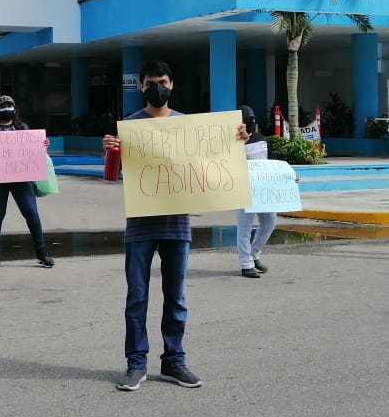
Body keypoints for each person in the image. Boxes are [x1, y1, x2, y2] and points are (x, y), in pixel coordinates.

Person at [103, 59, 248, 391]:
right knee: (136, 298)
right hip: (140, 225)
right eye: (152, 81)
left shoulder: (188, 126)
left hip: (178, 225)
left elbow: (218, 158)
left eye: (163, 81)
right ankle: (136, 364)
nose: (158, 87)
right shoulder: (130, 125)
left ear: (172, 85)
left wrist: (238, 138)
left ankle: (174, 361)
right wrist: (111, 151)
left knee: (176, 297)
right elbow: (113, 175)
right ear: (141, 86)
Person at [0, 95, 55, 271]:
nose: (6, 108)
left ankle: (42, 253)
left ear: (15, 109)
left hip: (22, 180)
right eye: (3, 106)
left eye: (9, 105)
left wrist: (43, 145)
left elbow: (34, 153)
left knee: (31, 214)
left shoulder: (23, 129)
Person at [235, 105, 276, 279]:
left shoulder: (261, 138)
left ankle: (254, 253)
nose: (249, 123)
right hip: (243, 189)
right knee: (245, 228)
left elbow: (271, 162)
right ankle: (246, 264)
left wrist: (285, 178)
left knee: (269, 222)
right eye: (245, 120)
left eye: (251, 119)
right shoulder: (232, 143)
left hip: (263, 188)